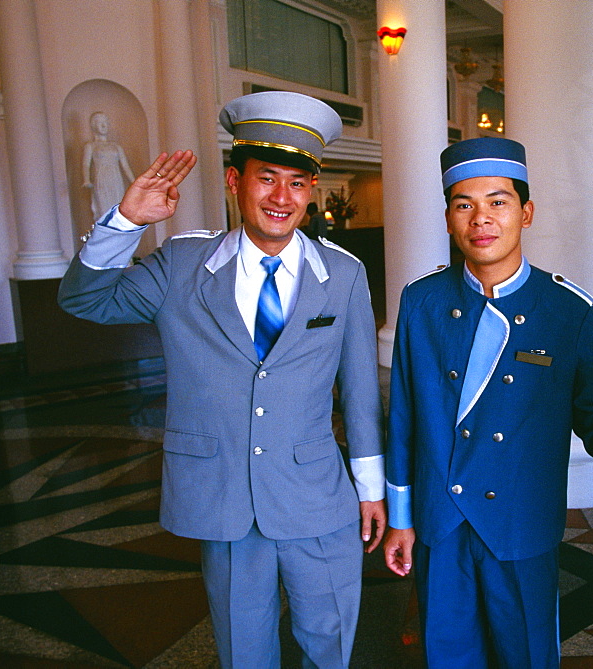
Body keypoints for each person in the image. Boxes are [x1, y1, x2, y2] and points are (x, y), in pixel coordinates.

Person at [59, 91, 386, 668]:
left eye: (297, 183)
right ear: (235, 183)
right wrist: (127, 220)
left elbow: (361, 392)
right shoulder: (181, 264)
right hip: (224, 498)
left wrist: (371, 487)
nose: (281, 198)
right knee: (243, 648)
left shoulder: (342, 273)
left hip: (316, 496)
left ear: (311, 192)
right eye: (266, 179)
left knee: (329, 637)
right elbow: (85, 300)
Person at [382, 137, 593, 668]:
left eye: (498, 202)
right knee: (446, 655)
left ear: (526, 212)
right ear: (449, 218)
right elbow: (402, 415)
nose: (482, 219)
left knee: (527, 655)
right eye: (464, 205)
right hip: (440, 521)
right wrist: (402, 518)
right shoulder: (421, 301)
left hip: (519, 521)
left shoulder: (570, 311)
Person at [82, 111, 136, 220]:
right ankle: (106, 233)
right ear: (94, 126)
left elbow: (125, 166)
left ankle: (119, 234)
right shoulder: (91, 146)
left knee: (119, 210)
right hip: (102, 179)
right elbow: (86, 164)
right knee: (104, 211)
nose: (103, 125)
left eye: (105, 123)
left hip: (116, 179)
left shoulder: (116, 147)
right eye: (100, 123)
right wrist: (86, 179)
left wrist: (135, 182)